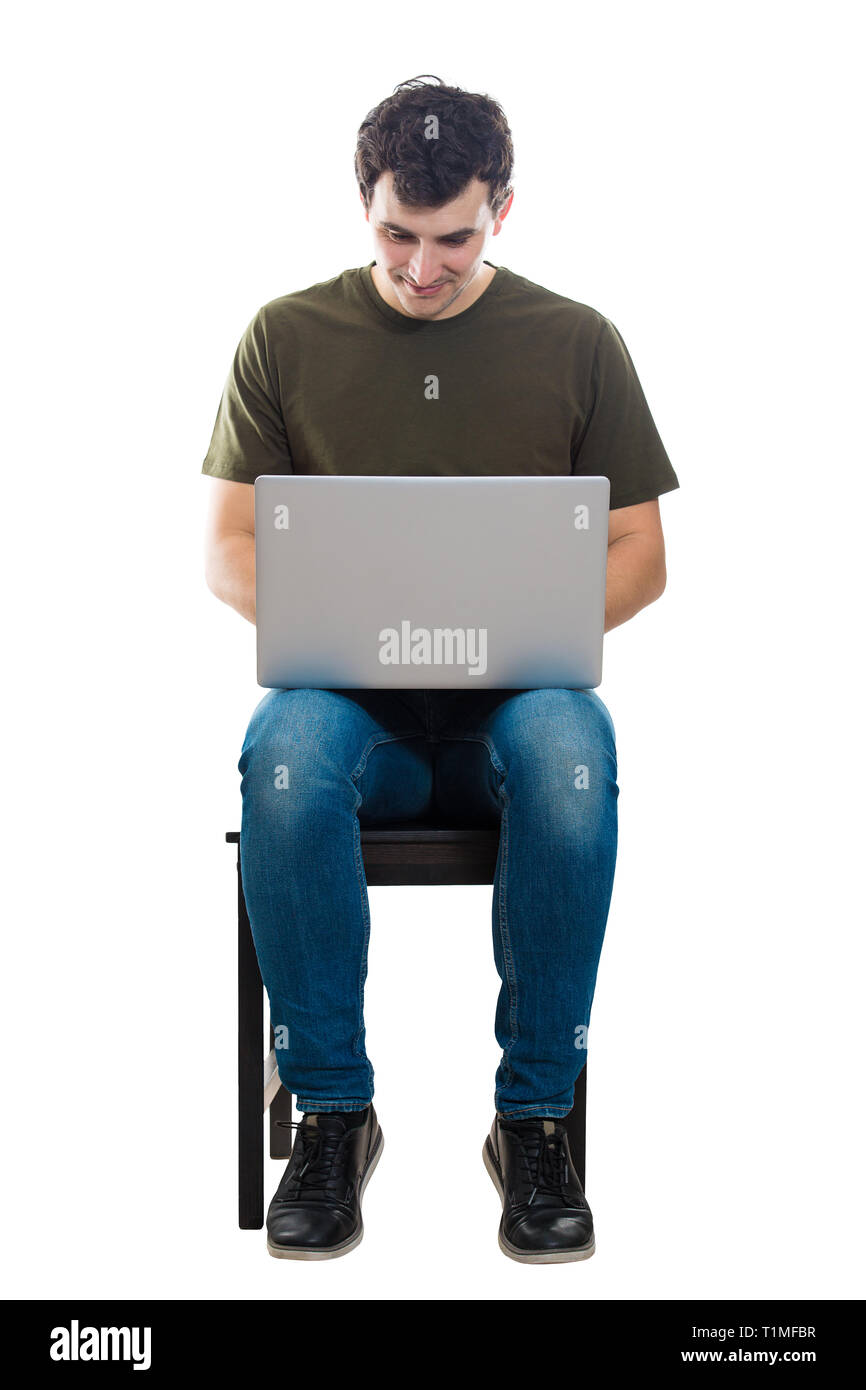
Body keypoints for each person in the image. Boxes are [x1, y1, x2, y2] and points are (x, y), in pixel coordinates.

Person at [202, 75, 679, 1264]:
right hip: (348, 709)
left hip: (514, 707)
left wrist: (502, 629)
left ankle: (532, 1123)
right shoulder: (284, 334)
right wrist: (354, 627)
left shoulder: (576, 342)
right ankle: (329, 1110)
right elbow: (223, 547)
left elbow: (642, 555)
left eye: (452, 237)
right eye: (394, 236)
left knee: (575, 752)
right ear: (362, 208)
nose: (421, 268)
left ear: (502, 210)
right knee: (280, 762)